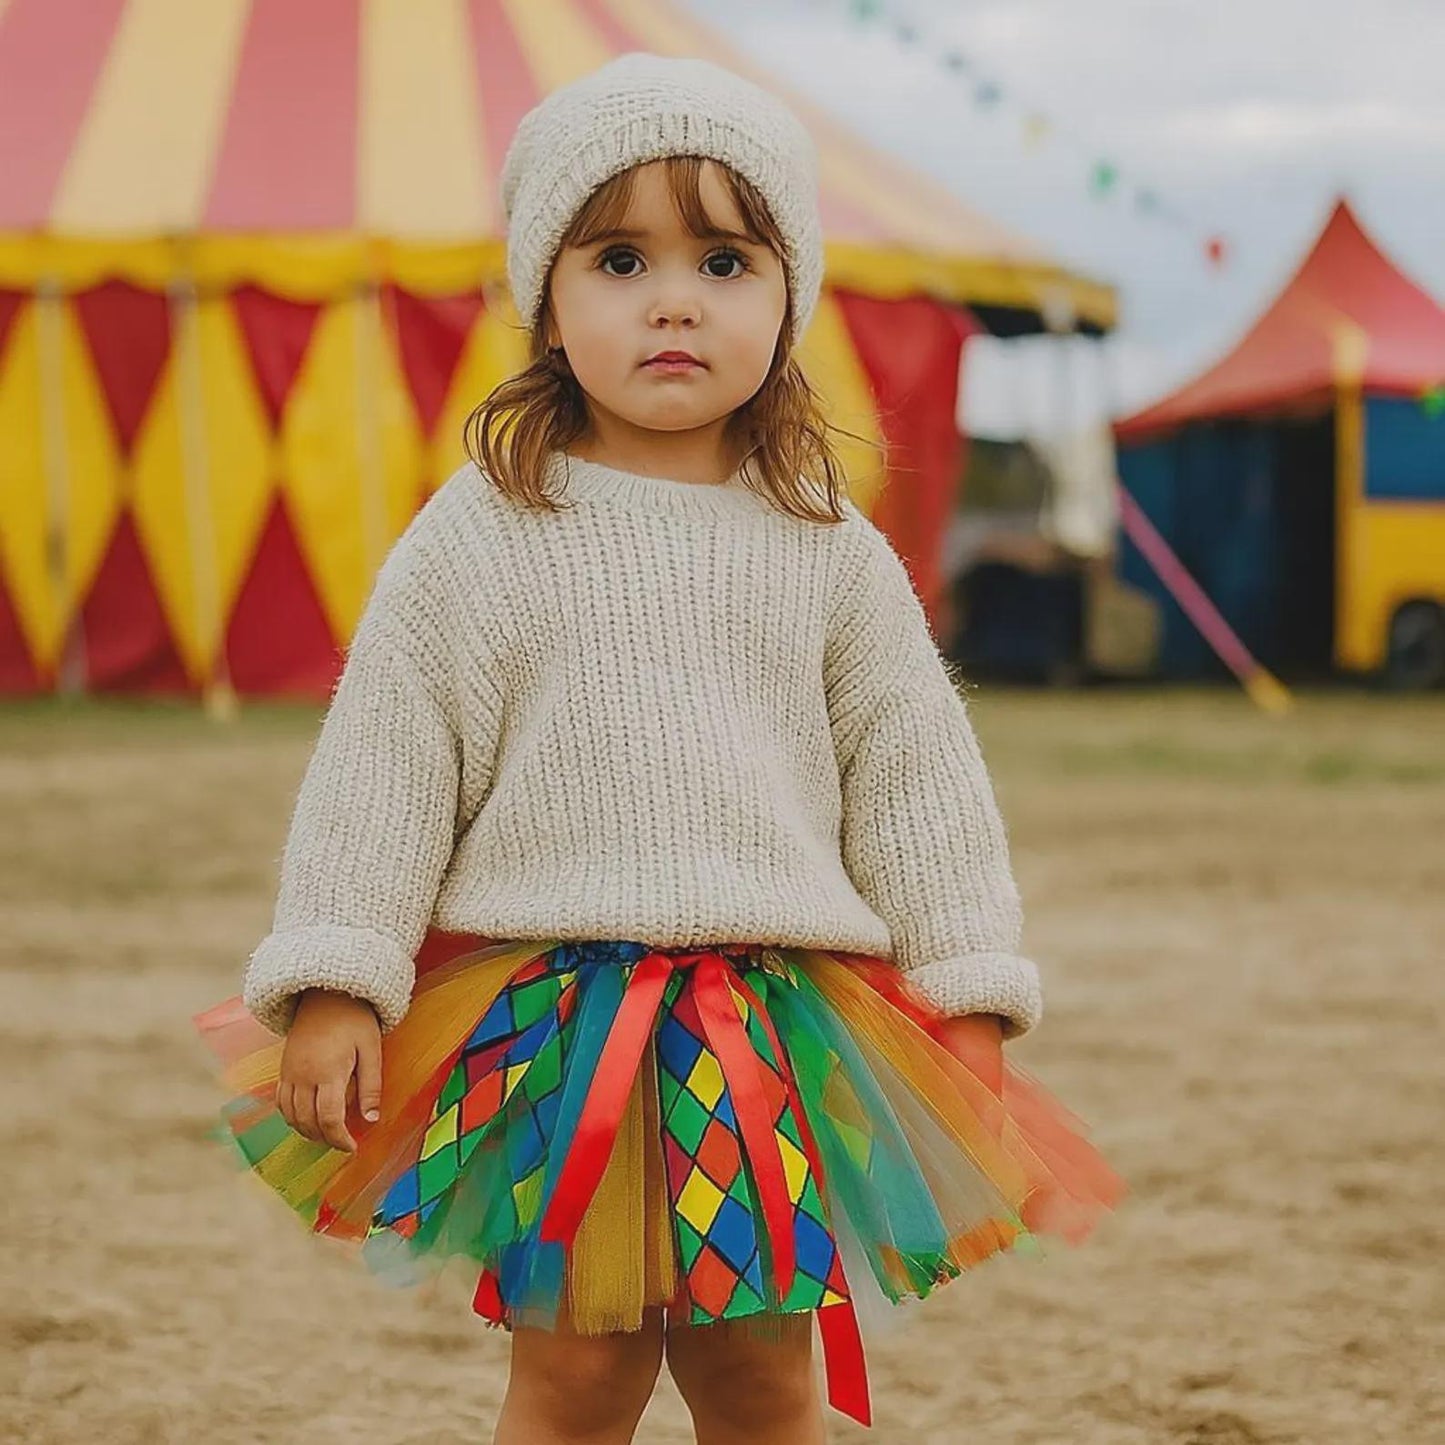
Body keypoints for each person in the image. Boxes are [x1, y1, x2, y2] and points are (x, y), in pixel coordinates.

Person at [193, 52, 1123, 1445]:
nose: (675, 298)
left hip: (764, 1031)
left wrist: (966, 981)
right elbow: (386, 761)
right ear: (547, 305)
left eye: (727, 260)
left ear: (788, 299)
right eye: (621, 257)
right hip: (556, 1041)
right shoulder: (480, 533)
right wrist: (338, 971)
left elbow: (914, 773)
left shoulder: (825, 546)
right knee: (573, 1376)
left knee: (759, 1377)